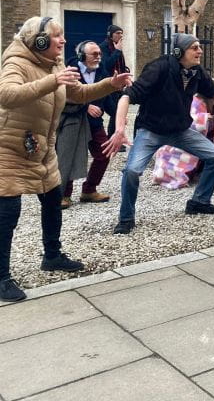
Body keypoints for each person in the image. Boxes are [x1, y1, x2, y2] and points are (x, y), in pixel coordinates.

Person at [0, 17, 130, 302]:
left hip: (41, 147)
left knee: (52, 201)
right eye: (57, 37)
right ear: (40, 41)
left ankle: (53, 256)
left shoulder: (54, 65)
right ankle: (1, 277)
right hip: (9, 150)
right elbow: (6, 96)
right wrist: (51, 81)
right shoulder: (16, 63)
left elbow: (79, 93)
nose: (63, 41)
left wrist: (111, 83)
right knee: (7, 214)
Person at [104, 33, 214, 234]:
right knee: (132, 171)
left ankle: (199, 201)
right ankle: (126, 218)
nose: (200, 51)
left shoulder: (197, 72)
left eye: (200, 47)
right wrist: (119, 129)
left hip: (180, 130)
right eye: (194, 47)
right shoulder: (158, 68)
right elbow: (126, 97)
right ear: (179, 51)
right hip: (151, 130)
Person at [60, 41, 113, 208]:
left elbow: (107, 96)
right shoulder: (69, 71)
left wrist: (118, 114)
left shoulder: (102, 70)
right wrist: (85, 106)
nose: (98, 57)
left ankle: (89, 190)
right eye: (94, 54)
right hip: (73, 121)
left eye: (99, 53)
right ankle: (64, 195)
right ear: (81, 56)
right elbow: (61, 97)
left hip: (95, 123)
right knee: (69, 156)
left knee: (104, 154)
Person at [99, 24, 131, 138]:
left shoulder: (117, 47)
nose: (120, 35)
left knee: (117, 112)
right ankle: (103, 137)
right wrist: (117, 51)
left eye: (121, 33)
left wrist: (125, 77)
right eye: (117, 33)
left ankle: (113, 137)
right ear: (110, 35)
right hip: (107, 85)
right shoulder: (103, 47)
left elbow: (121, 65)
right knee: (109, 112)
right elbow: (106, 65)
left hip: (118, 86)